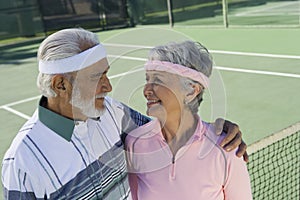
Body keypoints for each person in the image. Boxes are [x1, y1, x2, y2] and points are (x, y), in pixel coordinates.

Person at [2, 28, 247, 199]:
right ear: (60, 85)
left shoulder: (114, 113)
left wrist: (220, 128)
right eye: (97, 78)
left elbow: (169, 126)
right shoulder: (22, 162)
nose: (108, 87)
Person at [126, 41, 252, 200]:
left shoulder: (226, 149)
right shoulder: (135, 143)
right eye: (147, 80)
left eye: (158, 81)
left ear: (192, 90)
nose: (146, 91)